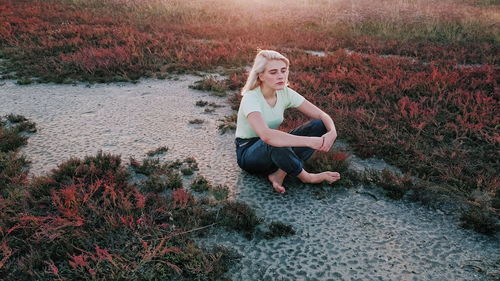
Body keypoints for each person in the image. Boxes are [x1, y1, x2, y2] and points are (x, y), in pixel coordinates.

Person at [235, 49, 341, 193]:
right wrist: (308, 141)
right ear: (261, 76)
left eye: (283, 71)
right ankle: (307, 177)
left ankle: (279, 173)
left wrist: (332, 132)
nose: (281, 76)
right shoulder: (251, 98)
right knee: (273, 140)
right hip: (249, 154)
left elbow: (322, 115)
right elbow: (266, 135)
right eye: (273, 72)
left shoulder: (284, 92)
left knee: (319, 125)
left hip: (274, 146)